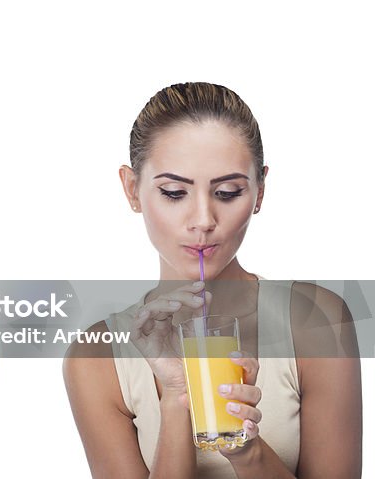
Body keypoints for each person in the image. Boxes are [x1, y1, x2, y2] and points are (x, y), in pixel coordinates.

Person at [64, 82, 362, 478]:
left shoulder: (316, 320)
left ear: (259, 191)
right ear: (132, 189)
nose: (203, 220)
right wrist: (176, 396)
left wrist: (245, 449)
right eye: (173, 192)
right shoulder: (96, 358)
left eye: (227, 192)